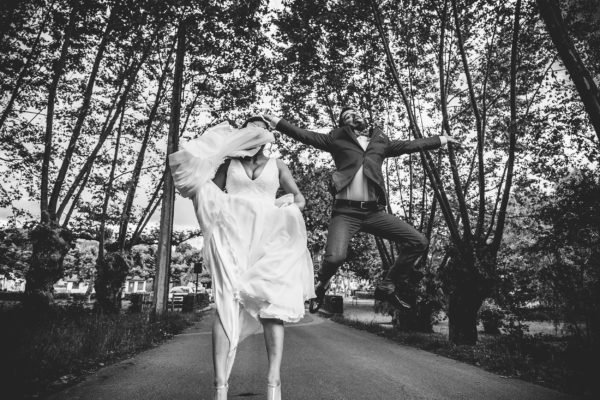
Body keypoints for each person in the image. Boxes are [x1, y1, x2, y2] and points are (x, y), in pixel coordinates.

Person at [169, 117, 315, 400]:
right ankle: (220, 386)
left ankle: (274, 381)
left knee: (271, 305)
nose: (255, 130)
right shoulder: (229, 164)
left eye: (260, 126)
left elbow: (299, 199)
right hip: (233, 236)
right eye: (249, 127)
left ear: (267, 134)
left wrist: (283, 206)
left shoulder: (279, 166)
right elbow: (209, 192)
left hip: (268, 238)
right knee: (226, 304)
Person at [263, 108, 460, 313]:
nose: (351, 117)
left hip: (374, 213)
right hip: (345, 213)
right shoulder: (336, 139)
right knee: (334, 258)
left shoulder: (380, 142)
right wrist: (278, 121)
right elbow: (304, 135)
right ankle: (322, 284)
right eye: (346, 117)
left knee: (419, 241)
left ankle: (387, 285)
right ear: (342, 125)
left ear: (363, 118)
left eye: (354, 114)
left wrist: (441, 140)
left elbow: (410, 145)